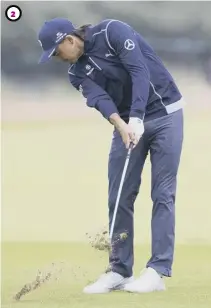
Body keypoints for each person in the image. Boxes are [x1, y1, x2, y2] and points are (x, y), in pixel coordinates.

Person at [38, 18, 184, 294]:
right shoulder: (75, 73)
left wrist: (138, 116)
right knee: (118, 194)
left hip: (165, 112)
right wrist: (122, 124)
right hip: (128, 123)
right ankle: (119, 270)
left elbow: (139, 70)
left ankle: (157, 270)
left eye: (56, 51)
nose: (57, 58)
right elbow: (101, 100)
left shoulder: (112, 31)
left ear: (69, 39)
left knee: (162, 193)